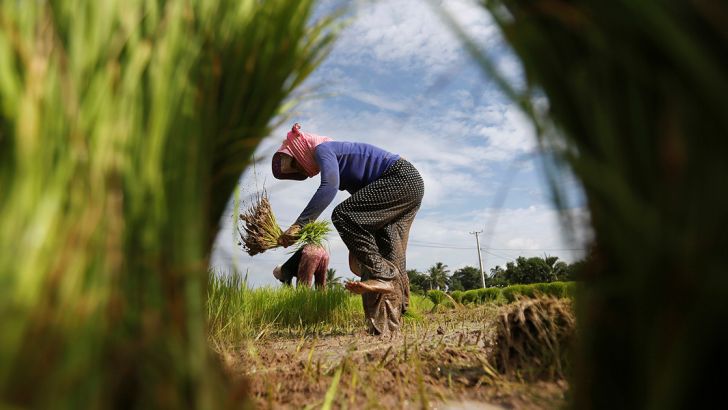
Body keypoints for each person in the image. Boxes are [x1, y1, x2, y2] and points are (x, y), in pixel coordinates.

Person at [272, 123, 424, 336]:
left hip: (399, 177)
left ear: (301, 149)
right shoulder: (334, 154)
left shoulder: (324, 150)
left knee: (343, 215)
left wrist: (301, 224)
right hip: (410, 184)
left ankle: (384, 275)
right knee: (388, 250)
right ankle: (385, 327)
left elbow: (329, 187)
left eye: (296, 164)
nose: (301, 169)